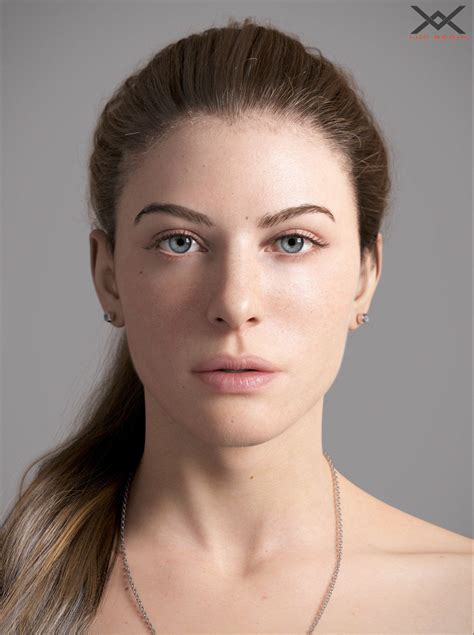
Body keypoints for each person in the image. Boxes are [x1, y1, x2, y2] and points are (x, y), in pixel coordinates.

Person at [1, 16, 471, 635]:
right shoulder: (17, 596)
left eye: (293, 241)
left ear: (364, 275)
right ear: (108, 274)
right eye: (179, 241)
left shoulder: (459, 599)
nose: (235, 301)